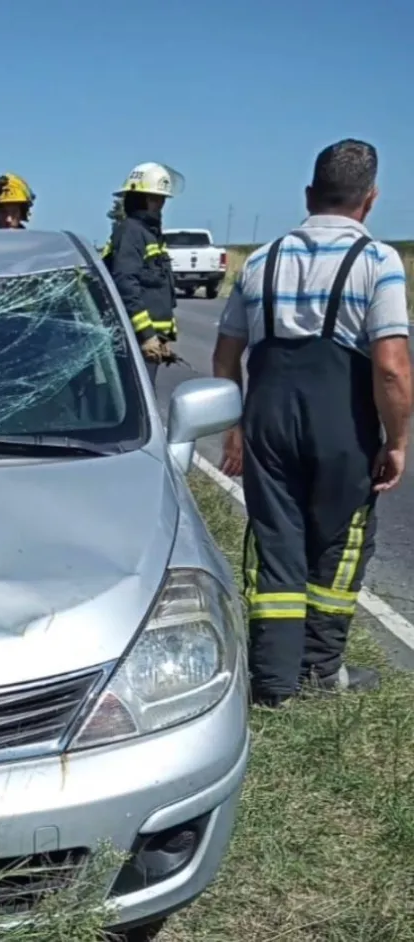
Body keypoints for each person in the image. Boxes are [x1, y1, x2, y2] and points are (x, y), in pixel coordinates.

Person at [211, 138, 412, 708]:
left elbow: (226, 356)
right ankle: (320, 672)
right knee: (338, 545)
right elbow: (392, 368)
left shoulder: (262, 259)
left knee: (277, 541)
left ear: (308, 194)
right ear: (370, 201)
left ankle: (272, 681)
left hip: (269, 419)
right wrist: (396, 442)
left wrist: (235, 427)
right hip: (342, 423)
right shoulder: (377, 261)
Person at [100, 163, 181, 384]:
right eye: (154, 199)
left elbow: (158, 291)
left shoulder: (150, 235)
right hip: (134, 340)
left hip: (150, 340)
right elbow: (126, 286)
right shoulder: (131, 233)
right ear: (138, 199)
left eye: (162, 199)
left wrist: (162, 337)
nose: (160, 205)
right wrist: (146, 335)